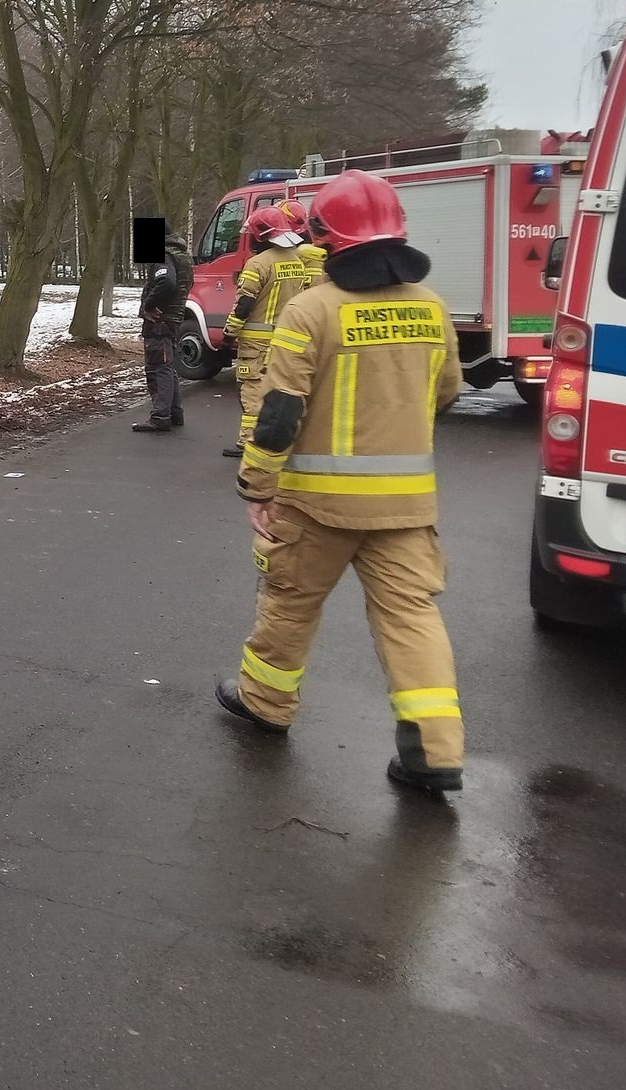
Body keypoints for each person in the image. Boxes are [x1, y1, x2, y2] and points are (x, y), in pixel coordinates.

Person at [218, 170, 466, 797]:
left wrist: (258, 487)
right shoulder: (432, 308)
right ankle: (434, 753)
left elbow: (279, 414)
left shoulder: (313, 311)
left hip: (317, 505)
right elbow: (447, 393)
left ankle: (266, 704)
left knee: (290, 603)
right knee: (412, 619)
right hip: (407, 509)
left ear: (330, 237)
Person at [219, 203, 322, 460]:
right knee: (279, 389)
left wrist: (229, 333)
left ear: (259, 234)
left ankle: (249, 443)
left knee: (252, 390)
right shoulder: (297, 261)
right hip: (284, 338)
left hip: (256, 343)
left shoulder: (257, 264)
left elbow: (244, 304)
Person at [132, 230, 195, 433]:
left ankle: (160, 416)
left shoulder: (165, 255)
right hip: (173, 319)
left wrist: (149, 305)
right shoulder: (183, 256)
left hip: (160, 321)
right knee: (168, 366)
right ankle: (174, 412)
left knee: (158, 367)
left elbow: (167, 282)